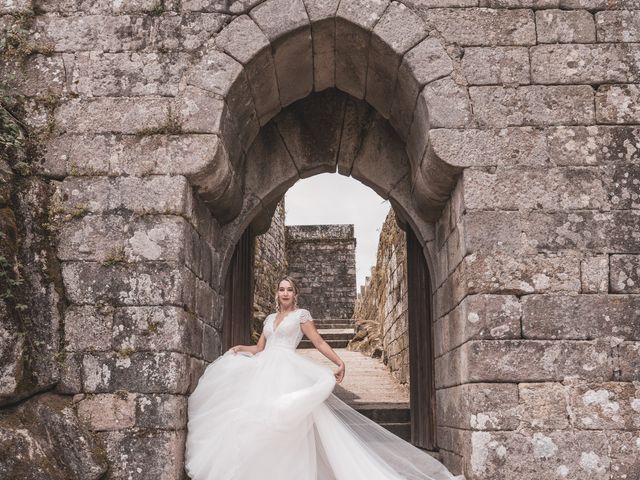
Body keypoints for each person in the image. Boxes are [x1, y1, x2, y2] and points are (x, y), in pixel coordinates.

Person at [185, 276, 464, 480]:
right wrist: (240, 348)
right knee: (256, 419)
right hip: (264, 369)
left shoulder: (301, 315)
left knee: (286, 418)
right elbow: (260, 348)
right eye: (281, 289)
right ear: (277, 293)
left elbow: (317, 341)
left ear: (296, 294)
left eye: (289, 290)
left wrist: (339, 360)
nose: (285, 293)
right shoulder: (269, 319)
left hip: (285, 369)